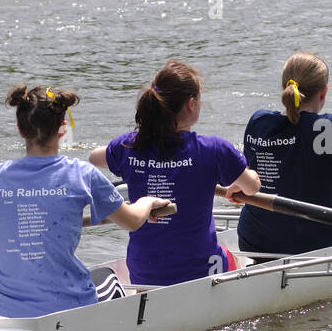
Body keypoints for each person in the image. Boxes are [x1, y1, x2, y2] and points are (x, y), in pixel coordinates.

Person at [0, 84, 172, 318]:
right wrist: (146, 202)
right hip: (65, 308)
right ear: (63, 129)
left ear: (19, 129)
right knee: (109, 277)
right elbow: (133, 221)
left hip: (3, 307)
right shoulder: (81, 174)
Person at [89, 61, 260, 286]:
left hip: (142, 271)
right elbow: (252, 187)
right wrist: (236, 185)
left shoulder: (129, 147)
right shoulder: (213, 149)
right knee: (237, 259)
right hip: (198, 271)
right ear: (191, 104)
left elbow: (93, 158)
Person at [236, 52, 332, 254]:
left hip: (254, 239)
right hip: (316, 242)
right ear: (323, 92)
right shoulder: (331, 127)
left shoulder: (259, 122)